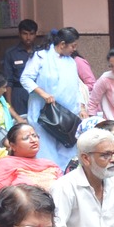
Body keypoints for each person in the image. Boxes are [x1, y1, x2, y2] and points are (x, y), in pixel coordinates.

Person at [21, 26, 88, 169]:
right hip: (44, 113)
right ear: (62, 44)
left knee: (68, 148)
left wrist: (81, 107)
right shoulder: (40, 56)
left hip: (67, 115)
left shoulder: (71, 62)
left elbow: (76, 87)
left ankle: (66, 173)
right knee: (46, 148)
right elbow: (25, 79)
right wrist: (43, 94)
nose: (74, 49)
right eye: (73, 46)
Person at [0, 120, 59, 197]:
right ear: (13, 146)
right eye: (26, 138)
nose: (33, 140)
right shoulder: (6, 165)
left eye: (34, 136)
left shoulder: (50, 164)